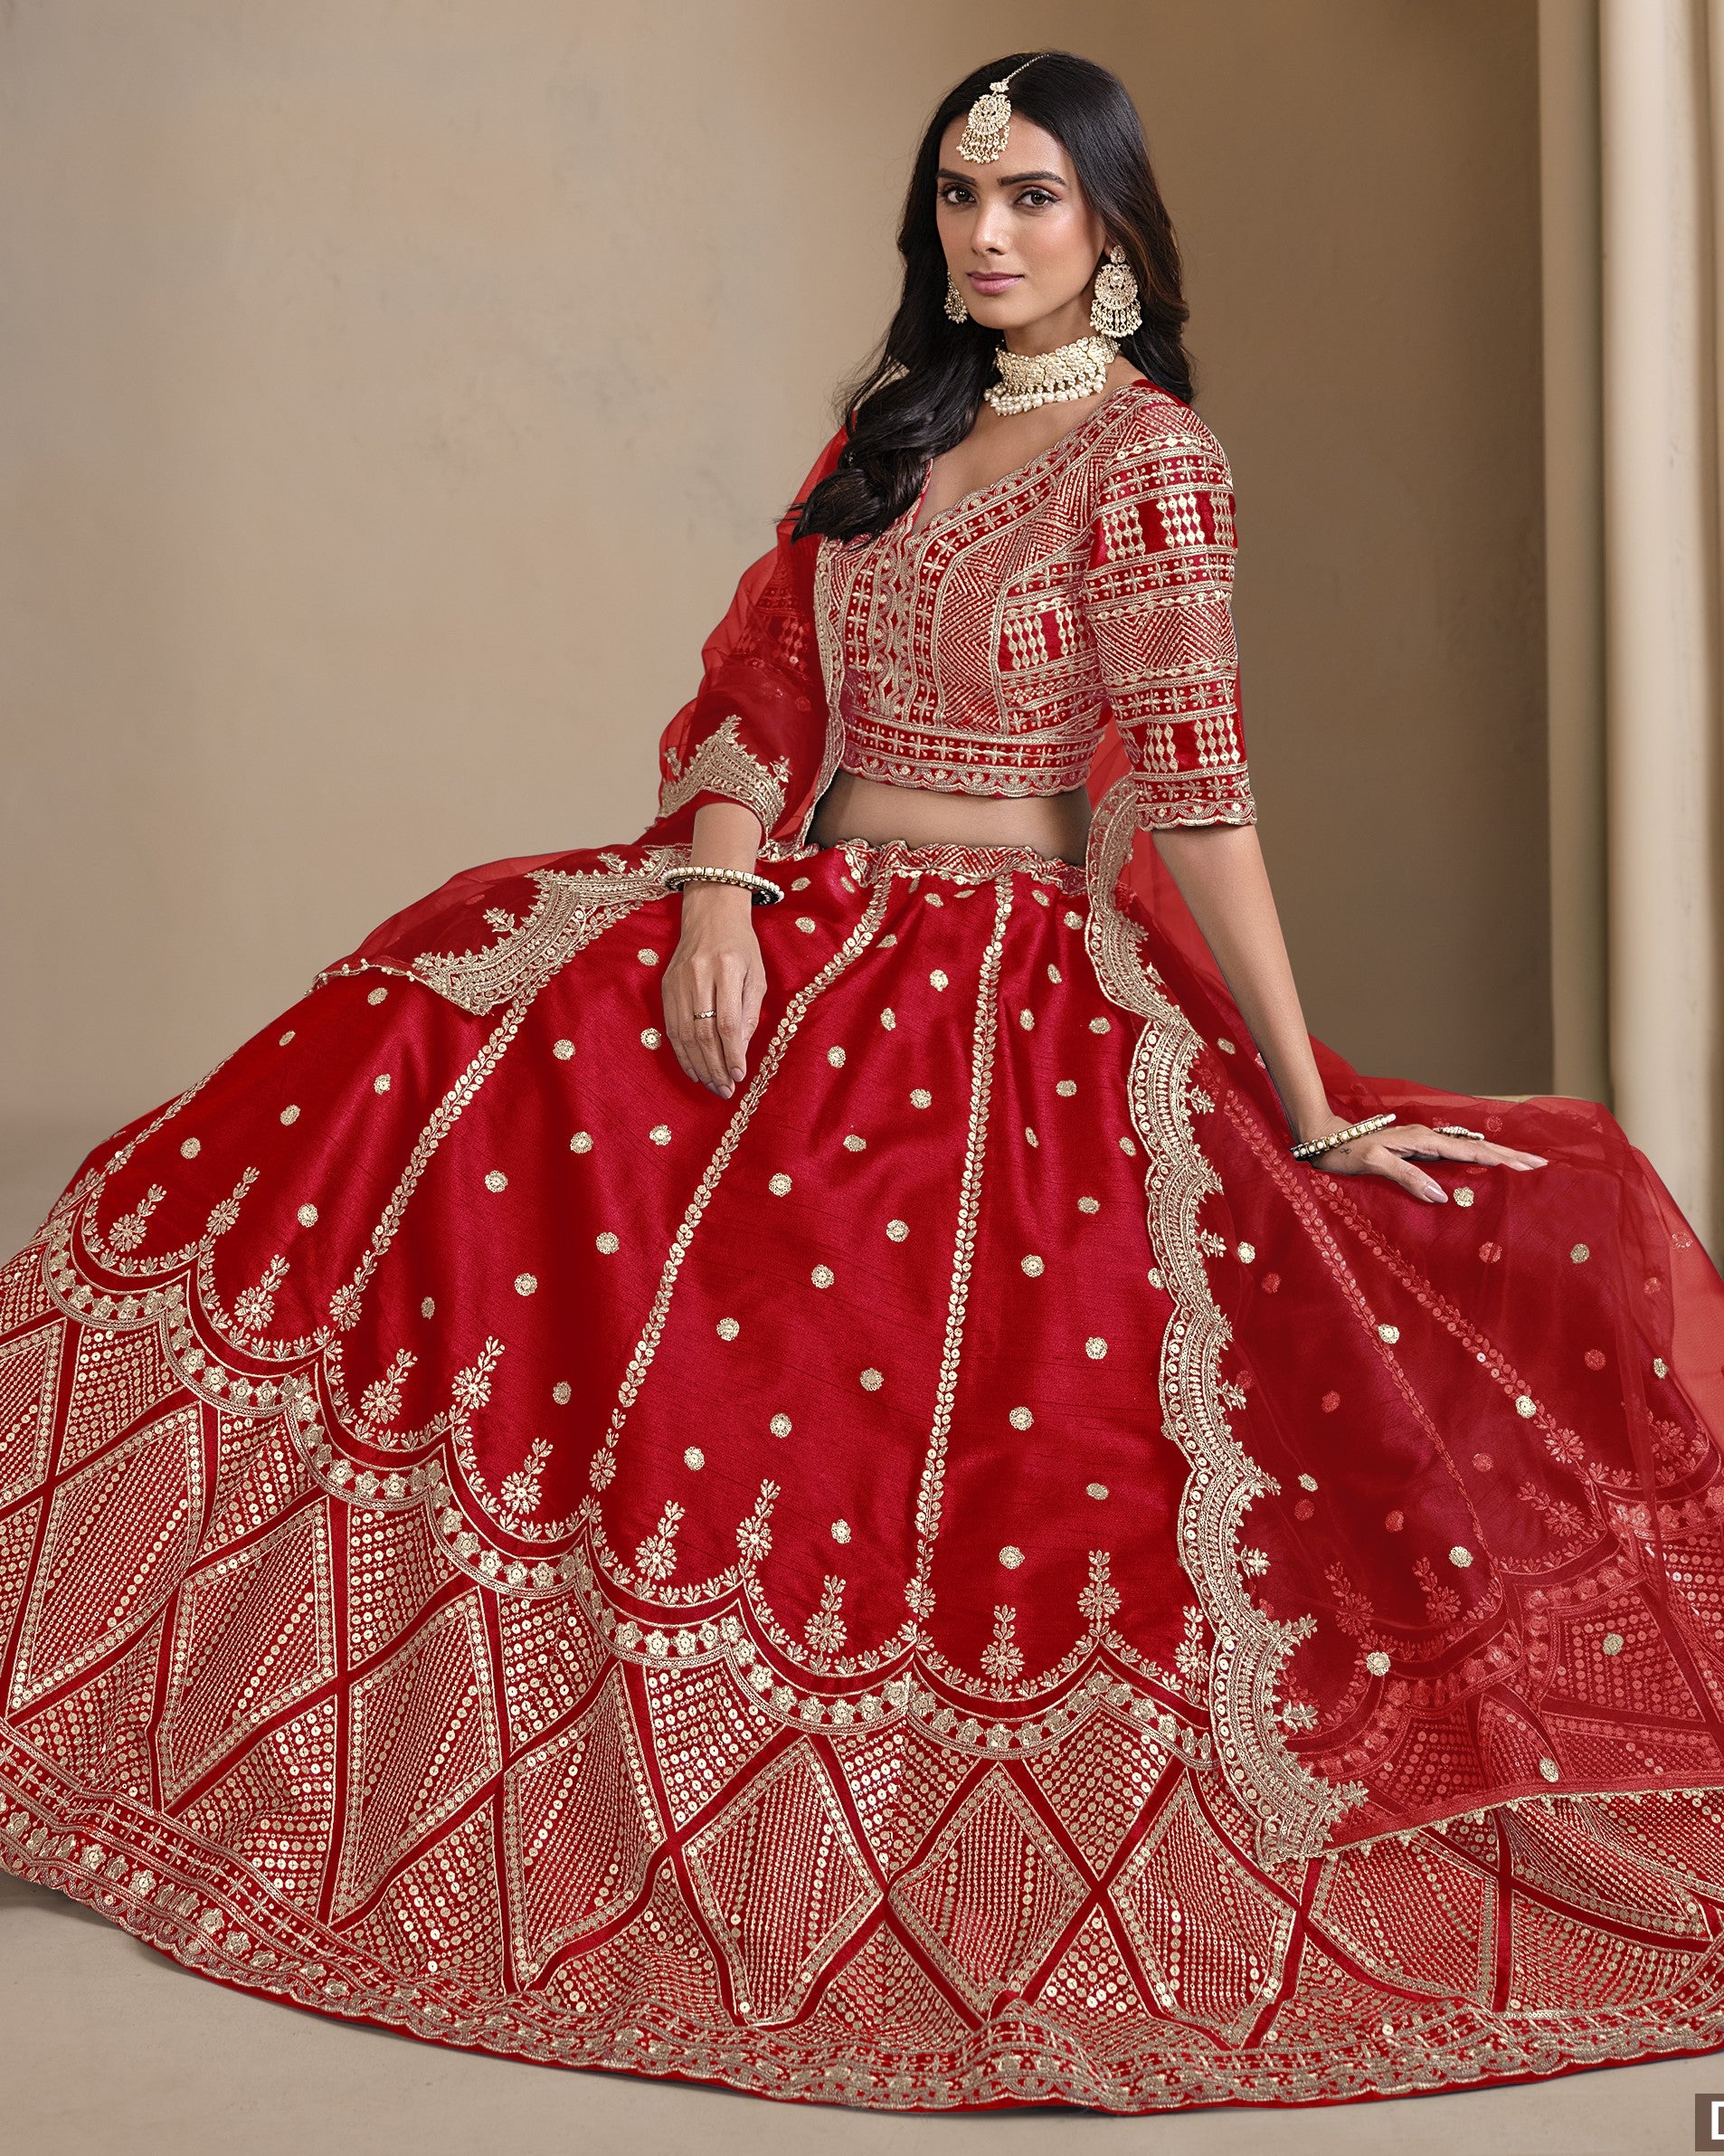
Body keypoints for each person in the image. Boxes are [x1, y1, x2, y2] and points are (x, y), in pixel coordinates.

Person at [3, 48, 1723, 2116]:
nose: (982, 239)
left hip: (1009, 984)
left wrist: (1299, 1091)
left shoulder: (1152, 463)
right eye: (955, 199)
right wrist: (719, 894)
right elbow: (755, 693)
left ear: (1108, 230)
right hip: (799, 914)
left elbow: (1197, 793)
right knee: (432, 1040)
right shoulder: (894, 433)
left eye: (1028, 204)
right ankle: (163, 1682)